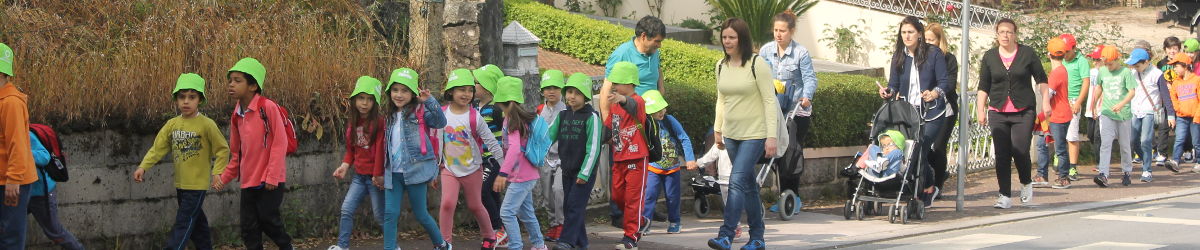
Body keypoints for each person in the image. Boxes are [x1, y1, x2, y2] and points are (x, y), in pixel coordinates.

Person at [135, 73, 230, 250]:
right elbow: (158, 148)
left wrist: (217, 173)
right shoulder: (172, 124)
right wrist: (143, 166)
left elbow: (222, 149)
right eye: (182, 97)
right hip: (181, 184)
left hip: (197, 185)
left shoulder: (207, 124)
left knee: (183, 222)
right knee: (197, 223)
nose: (186, 101)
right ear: (176, 100)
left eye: (192, 97)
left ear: (200, 100)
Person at [706, 18, 777, 250]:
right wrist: (718, 130)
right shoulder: (720, 65)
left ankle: (726, 235)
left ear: (741, 38)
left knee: (736, 182)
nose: (727, 41)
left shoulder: (757, 64)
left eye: (732, 37)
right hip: (731, 134)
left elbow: (769, 100)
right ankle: (757, 238)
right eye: (724, 37)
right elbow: (722, 99)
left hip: (755, 134)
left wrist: (771, 136)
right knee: (747, 186)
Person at [213, 58, 294, 249]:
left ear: (253, 85)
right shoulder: (236, 115)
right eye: (230, 80)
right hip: (249, 181)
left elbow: (280, 143)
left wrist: (273, 176)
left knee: (269, 221)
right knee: (249, 228)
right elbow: (237, 153)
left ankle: (287, 247)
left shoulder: (267, 107)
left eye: (237, 80)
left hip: (270, 181)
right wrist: (224, 178)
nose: (231, 84)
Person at [877, 16, 949, 208]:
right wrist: (888, 92)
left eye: (910, 32)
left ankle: (923, 189)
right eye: (903, 33)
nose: (907, 36)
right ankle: (926, 185)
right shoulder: (899, 56)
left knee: (920, 148)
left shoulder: (933, 54)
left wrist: (934, 93)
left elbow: (945, 82)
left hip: (932, 112)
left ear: (919, 34)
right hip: (908, 113)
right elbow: (894, 84)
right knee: (911, 151)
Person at [975, 19, 1048, 209]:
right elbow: (984, 86)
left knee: (1020, 150)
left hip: (1023, 110)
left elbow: (1041, 79)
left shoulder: (1027, 53)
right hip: (998, 111)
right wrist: (980, 110)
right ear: (996, 34)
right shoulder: (990, 56)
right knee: (1002, 154)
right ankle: (1004, 195)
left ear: (1015, 34)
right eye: (1001, 32)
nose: (1005, 36)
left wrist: (1046, 101)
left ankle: (1026, 182)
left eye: (1009, 32)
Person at [379, 68, 450, 250]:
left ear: (413, 93)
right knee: (390, 213)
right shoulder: (388, 115)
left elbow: (441, 122)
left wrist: (430, 101)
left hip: (415, 171)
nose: (399, 95)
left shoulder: (420, 112)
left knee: (421, 214)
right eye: (395, 90)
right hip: (393, 172)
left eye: (405, 90)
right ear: (389, 92)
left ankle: (441, 244)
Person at [436, 69, 503, 249]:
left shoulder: (475, 117)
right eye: (461, 89)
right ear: (451, 91)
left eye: (469, 90)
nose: (466, 94)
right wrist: (435, 169)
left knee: (475, 205)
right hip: (449, 169)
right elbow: (436, 142)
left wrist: (504, 169)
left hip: (472, 168)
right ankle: (445, 242)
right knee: (447, 203)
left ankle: (490, 236)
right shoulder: (441, 114)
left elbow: (492, 142)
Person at [758, 9, 816, 213]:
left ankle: (793, 196)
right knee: (774, 152)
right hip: (773, 109)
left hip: (795, 112)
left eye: (782, 30)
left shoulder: (801, 53)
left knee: (790, 152)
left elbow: (810, 78)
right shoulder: (765, 51)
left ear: (791, 31)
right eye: (775, 30)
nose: (778, 34)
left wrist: (806, 97)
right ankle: (782, 196)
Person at [327, 76, 386, 250]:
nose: (364, 103)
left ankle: (392, 245)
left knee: (380, 216)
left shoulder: (380, 122)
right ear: (354, 100)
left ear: (375, 102)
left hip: (376, 178)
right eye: (361, 98)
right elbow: (351, 150)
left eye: (369, 99)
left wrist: (377, 175)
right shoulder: (353, 122)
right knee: (346, 209)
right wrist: (344, 166)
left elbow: (381, 151)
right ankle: (342, 246)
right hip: (359, 177)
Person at [492, 76, 549, 250]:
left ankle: (515, 246)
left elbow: (515, 148)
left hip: (521, 177)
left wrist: (502, 174)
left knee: (507, 212)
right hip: (527, 175)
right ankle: (539, 245)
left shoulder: (512, 120)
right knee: (526, 212)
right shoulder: (521, 118)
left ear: (502, 100)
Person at [549, 73, 604, 250]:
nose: (572, 96)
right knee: (569, 206)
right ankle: (581, 242)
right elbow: (547, 136)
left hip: (583, 172)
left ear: (586, 96)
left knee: (574, 205)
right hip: (566, 169)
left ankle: (567, 240)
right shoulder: (562, 116)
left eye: (577, 93)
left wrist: (585, 173)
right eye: (570, 92)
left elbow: (594, 148)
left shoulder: (592, 117)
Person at [600, 61, 650, 250]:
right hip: (619, 156)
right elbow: (609, 128)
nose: (614, 86)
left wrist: (621, 99)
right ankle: (641, 220)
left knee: (632, 199)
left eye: (617, 83)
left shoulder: (638, 101)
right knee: (618, 196)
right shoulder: (615, 105)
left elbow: (631, 105)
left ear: (629, 83)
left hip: (637, 157)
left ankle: (631, 237)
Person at [638, 90, 697, 235]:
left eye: (661, 109)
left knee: (672, 197)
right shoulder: (645, 124)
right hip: (653, 167)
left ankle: (675, 222)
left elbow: (684, 138)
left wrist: (690, 158)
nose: (660, 113)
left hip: (672, 168)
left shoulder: (670, 120)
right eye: (655, 110)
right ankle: (646, 223)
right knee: (649, 196)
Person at [0, 43, 36, 249]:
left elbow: (18, 145)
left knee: (9, 238)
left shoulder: (11, 103)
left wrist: (13, 180)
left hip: (12, 183)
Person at [471, 64, 510, 247]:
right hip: (480, 160)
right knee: (492, 194)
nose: (473, 85)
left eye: (477, 82)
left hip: (494, 160)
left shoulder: (496, 109)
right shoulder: (474, 107)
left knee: (483, 191)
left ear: (487, 86)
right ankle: (503, 230)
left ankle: (497, 229)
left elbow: (508, 133)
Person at [1089, 46, 1138, 187]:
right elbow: (1099, 87)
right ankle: (1103, 174)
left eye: (1110, 64)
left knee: (1124, 145)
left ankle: (1127, 172)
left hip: (1123, 114)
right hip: (1107, 112)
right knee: (1105, 143)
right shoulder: (1103, 71)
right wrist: (1093, 104)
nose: (1108, 67)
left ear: (1117, 60)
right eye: (1105, 64)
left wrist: (1121, 104)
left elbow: (1132, 92)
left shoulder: (1125, 72)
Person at [28, 130, 84, 250]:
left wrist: (22, 152)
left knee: (54, 232)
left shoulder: (25, 133)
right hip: (18, 192)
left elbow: (44, 156)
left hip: (40, 193)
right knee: (9, 229)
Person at [1128, 48, 1175, 182]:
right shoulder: (1133, 73)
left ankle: (1147, 170)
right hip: (1135, 110)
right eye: (1134, 66)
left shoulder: (1157, 74)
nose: (1136, 68)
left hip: (1150, 110)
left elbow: (1166, 95)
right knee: (1133, 140)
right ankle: (1146, 159)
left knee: (1145, 140)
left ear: (1147, 62)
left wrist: (1170, 115)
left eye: (1138, 65)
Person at [924, 23, 959, 199]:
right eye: (926, 40)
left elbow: (950, 83)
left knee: (938, 146)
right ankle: (933, 175)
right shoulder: (920, 57)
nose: (928, 43)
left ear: (939, 41)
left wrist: (936, 92)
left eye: (932, 40)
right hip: (924, 109)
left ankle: (938, 186)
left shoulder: (949, 59)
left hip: (944, 109)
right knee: (921, 146)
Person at [535, 70, 567, 242]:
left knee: (558, 190)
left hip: (563, 159)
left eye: (555, 87)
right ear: (542, 91)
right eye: (547, 88)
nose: (551, 91)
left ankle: (562, 225)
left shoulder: (567, 110)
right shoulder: (540, 110)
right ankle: (553, 225)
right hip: (545, 158)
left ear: (561, 89)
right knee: (547, 194)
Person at [605, 16, 667, 95]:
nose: (659, 45)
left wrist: (661, 91)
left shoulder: (653, 51)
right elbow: (607, 88)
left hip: (654, 106)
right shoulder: (621, 54)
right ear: (643, 36)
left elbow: (658, 69)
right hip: (632, 106)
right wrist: (605, 108)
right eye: (657, 41)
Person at [1060, 34, 1091, 182]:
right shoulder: (1059, 59)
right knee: (1057, 133)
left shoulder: (1082, 61)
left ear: (1074, 48)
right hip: (1060, 100)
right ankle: (1059, 159)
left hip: (1073, 100)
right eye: (1062, 51)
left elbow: (1086, 82)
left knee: (1072, 135)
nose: (1064, 54)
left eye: (1067, 51)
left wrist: (1078, 102)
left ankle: (1072, 166)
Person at [1044, 38, 1074, 189]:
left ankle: (1064, 177)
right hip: (1062, 113)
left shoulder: (1056, 73)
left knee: (1060, 149)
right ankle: (1055, 175)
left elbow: (1048, 94)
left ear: (1049, 54)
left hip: (1058, 115)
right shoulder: (1062, 70)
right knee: (1056, 146)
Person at [1165, 54, 1200, 173]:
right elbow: (1173, 97)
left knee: (1196, 142)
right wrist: (1178, 109)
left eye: (1176, 66)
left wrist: (1197, 115)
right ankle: (1175, 161)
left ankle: (1199, 162)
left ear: (1185, 66)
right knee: (1179, 139)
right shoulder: (1176, 82)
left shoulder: (1197, 80)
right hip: (1181, 117)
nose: (1174, 69)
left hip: (1195, 117)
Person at [1155, 37, 1183, 169]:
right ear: (1165, 49)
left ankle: (1186, 150)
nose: (1172, 51)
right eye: (1169, 48)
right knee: (1163, 127)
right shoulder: (1160, 64)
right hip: (1165, 100)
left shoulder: (1181, 63)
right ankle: (1162, 153)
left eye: (1175, 48)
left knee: (1182, 127)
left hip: (1180, 99)